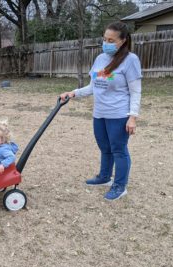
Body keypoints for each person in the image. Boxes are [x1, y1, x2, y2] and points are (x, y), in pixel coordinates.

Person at [60, 21, 142, 201]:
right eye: (104, 39)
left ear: (122, 40)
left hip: (119, 115)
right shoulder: (100, 58)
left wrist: (132, 117)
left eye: (111, 40)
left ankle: (120, 186)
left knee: (119, 150)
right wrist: (73, 93)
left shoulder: (130, 60)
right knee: (105, 148)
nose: (106, 43)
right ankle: (105, 177)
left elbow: (136, 91)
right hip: (100, 114)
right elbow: (93, 86)